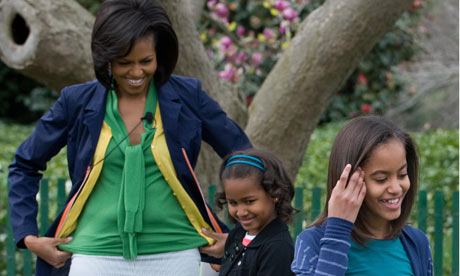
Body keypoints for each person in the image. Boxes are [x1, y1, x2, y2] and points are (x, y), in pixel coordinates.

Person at [8, 0, 251, 275]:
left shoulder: (188, 96)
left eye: (146, 61)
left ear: (159, 55)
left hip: (179, 255)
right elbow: (25, 164)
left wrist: (237, 236)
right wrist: (28, 236)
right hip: (92, 258)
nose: (137, 72)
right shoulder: (75, 102)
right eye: (125, 63)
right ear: (106, 58)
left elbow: (246, 159)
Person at [291, 116, 433, 276]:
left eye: (402, 175)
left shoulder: (416, 243)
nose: (396, 188)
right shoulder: (312, 242)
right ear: (349, 180)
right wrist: (338, 230)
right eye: (381, 179)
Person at [211, 148, 296, 276]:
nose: (241, 212)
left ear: (274, 194)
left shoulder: (278, 247)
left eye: (249, 201)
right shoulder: (236, 237)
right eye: (233, 203)